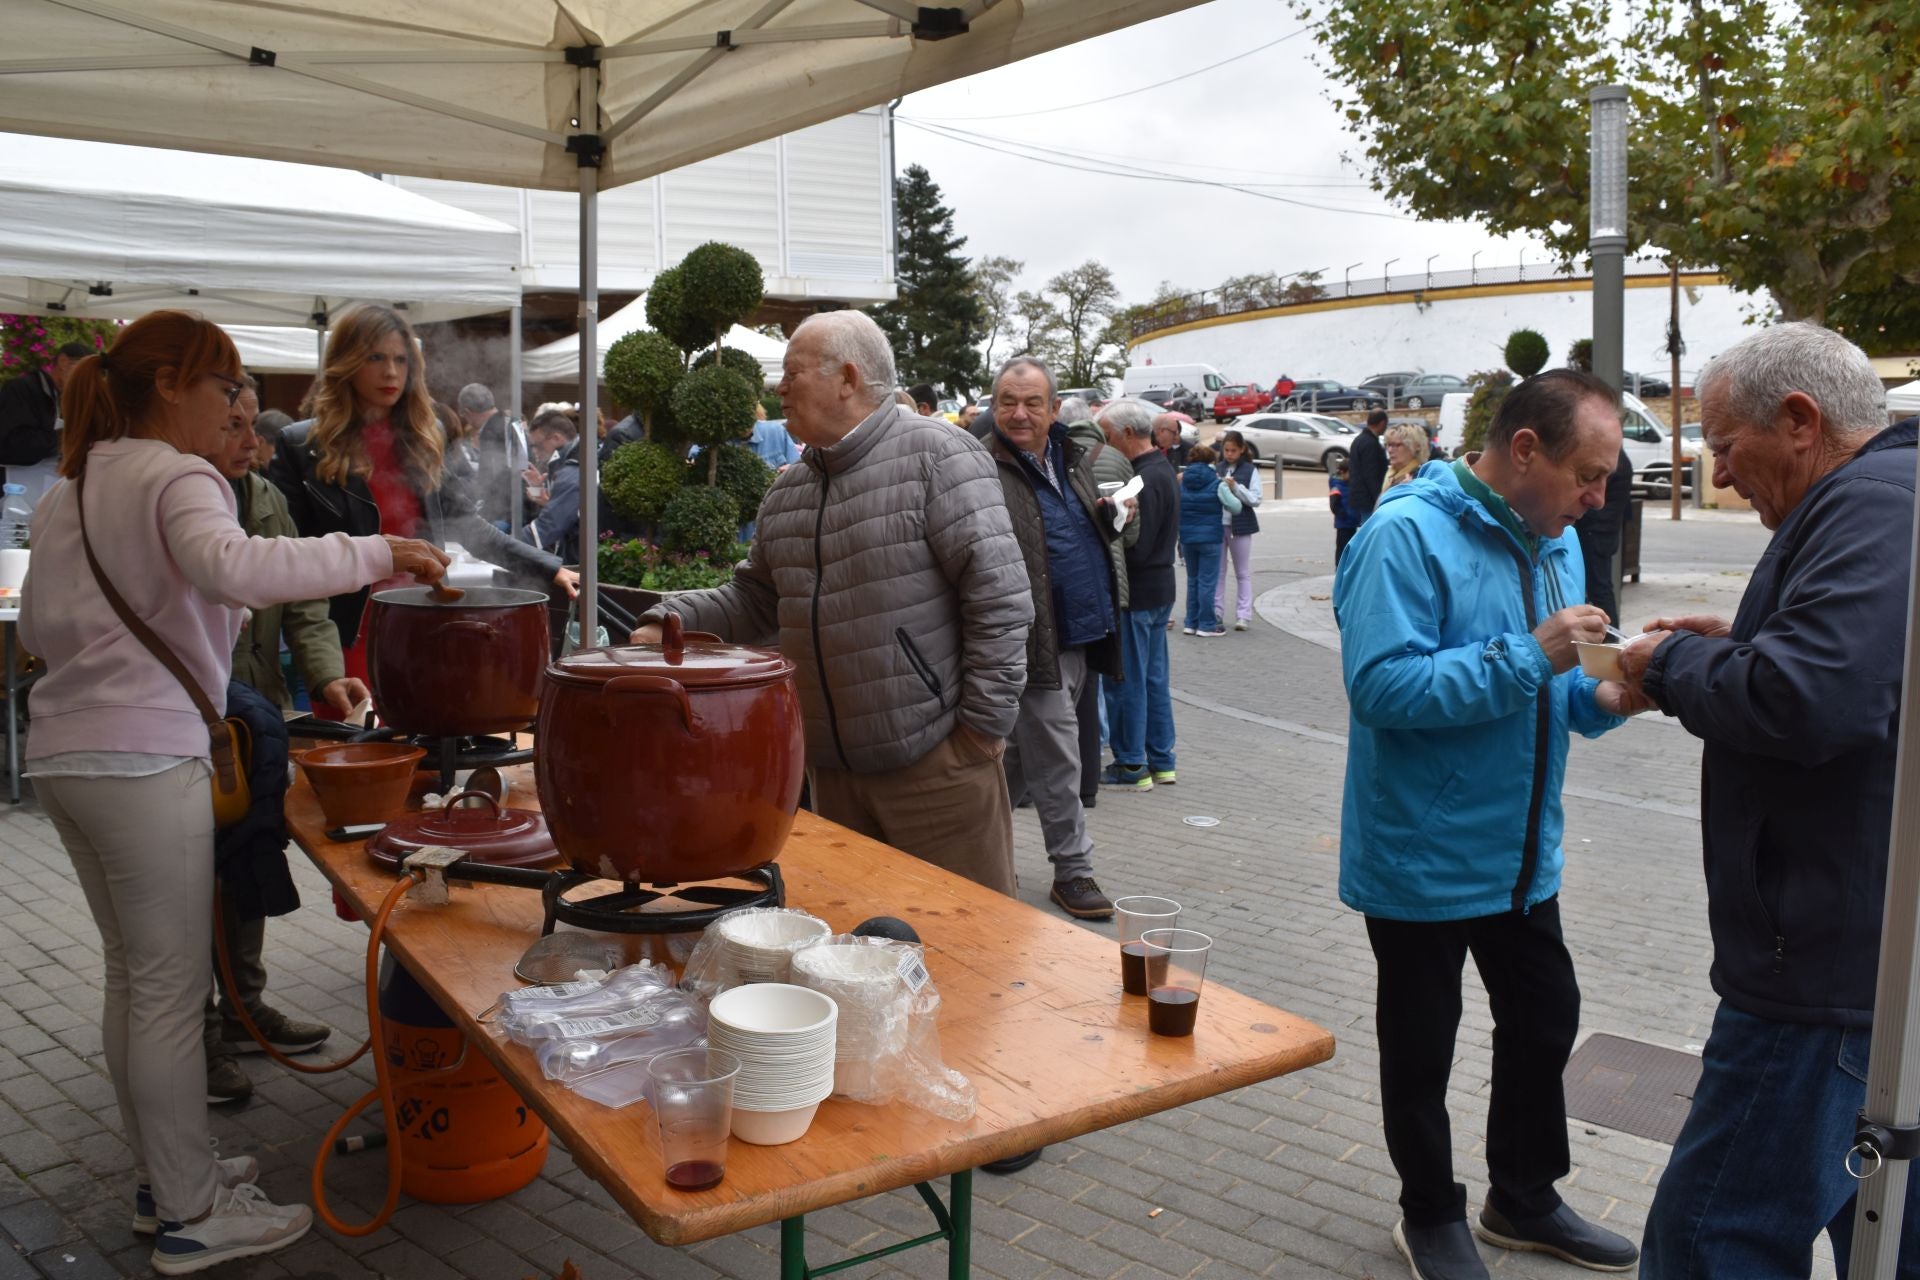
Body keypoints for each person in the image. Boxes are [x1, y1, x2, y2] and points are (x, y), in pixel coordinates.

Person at [20, 310, 448, 1274]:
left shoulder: (74, 483)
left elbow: (37, 631)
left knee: (136, 984)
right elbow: (240, 568)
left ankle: (164, 1180)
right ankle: (190, 1213)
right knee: (168, 996)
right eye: (225, 384)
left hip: (65, 759)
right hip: (144, 758)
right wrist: (380, 553)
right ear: (170, 383)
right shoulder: (176, 474)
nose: (238, 402)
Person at [1617, 323, 1920, 1278]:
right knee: (1886, 1235)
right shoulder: (1881, 498)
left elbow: (1809, 697)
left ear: (1799, 421)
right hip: (1868, 961)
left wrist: (1669, 661)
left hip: (1823, 975)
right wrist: (1739, 641)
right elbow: (1851, 674)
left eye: (1722, 445)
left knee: (1711, 1241)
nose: (1716, 475)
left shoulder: (1870, 504)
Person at [1334, 369, 1645, 1280]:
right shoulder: (1404, 534)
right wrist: (1530, 652)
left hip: (1520, 853)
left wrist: (1615, 695)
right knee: (1422, 1045)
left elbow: (1560, 691)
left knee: (1546, 1018)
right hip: (1422, 851)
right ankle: (1429, 1214)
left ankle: (1524, 1195)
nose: (1597, 499)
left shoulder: (1558, 537)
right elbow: (1382, 688)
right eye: (1588, 475)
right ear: (1523, 451)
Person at [631, 310, 1033, 894]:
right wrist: (670, 618)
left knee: (966, 952)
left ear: (846, 378)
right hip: (833, 773)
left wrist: (979, 734)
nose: (779, 388)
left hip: (937, 767)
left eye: (792, 373)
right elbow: (756, 597)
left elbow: (1000, 599)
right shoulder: (790, 486)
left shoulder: (938, 455)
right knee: (852, 952)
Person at [266, 305, 576, 693]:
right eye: (375, 357)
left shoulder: (421, 442)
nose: (391, 372)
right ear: (347, 361)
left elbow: (467, 525)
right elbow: (285, 557)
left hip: (421, 629)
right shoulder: (300, 446)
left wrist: (549, 568)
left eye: (400, 359)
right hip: (339, 640)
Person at [196, 382, 359, 1102]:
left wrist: (328, 680)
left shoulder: (265, 498)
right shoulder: (177, 500)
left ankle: (241, 1007)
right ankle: (196, 1036)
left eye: (250, 423)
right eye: (231, 421)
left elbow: (306, 608)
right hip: (189, 720)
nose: (249, 436)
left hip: (252, 719)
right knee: (191, 881)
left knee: (248, 851)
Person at [985, 356, 1128, 921]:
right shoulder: (979, 464)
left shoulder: (1070, 458)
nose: (1019, 414)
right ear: (994, 406)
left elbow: (1088, 535)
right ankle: (1072, 870)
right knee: (1059, 756)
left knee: (1018, 758)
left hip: (1079, 631)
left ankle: (967, 850)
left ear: (1052, 409)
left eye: (1031, 403)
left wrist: (1114, 518)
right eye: (1007, 403)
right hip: (1025, 638)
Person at [1098, 398, 1178, 790]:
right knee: (1153, 678)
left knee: (1128, 679)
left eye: (1109, 437)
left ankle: (1131, 763)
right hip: (1160, 587)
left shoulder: (1141, 479)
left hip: (1138, 591)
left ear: (1128, 434)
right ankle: (1161, 760)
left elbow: (1136, 543)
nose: (1107, 445)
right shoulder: (1163, 468)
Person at [0, 339, 91, 503]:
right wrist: (67, 438)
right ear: (63, 362)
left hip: (49, 497)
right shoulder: (22, 388)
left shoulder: (66, 397)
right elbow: (13, 445)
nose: (85, 382)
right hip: (15, 496)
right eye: (83, 372)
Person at [518, 409, 591, 563]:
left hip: (580, 557)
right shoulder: (573, 461)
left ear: (556, 438)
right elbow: (568, 510)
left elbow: (547, 527)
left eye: (536, 446)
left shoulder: (574, 470)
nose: (535, 452)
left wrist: (501, 545)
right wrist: (539, 491)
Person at [456, 382, 526, 530]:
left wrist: (490, 513)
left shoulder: (490, 431)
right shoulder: (514, 422)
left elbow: (491, 478)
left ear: (468, 412)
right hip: (521, 511)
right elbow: (524, 466)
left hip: (505, 515)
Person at [1575, 447, 1633, 624]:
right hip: (1605, 531)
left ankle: (1609, 634)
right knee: (1600, 586)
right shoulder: (1619, 460)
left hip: (1597, 532)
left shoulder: (1612, 461)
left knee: (1599, 588)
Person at [1213, 429, 1261, 631]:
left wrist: (1236, 488)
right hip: (1218, 524)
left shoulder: (1250, 470)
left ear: (1241, 449)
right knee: (1218, 572)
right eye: (1226, 450)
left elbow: (1256, 499)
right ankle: (1216, 612)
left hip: (1241, 526)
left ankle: (1243, 615)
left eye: (1233, 450)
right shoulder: (1218, 467)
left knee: (1242, 572)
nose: (1229, 454)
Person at [1178, 443, 1227, 637]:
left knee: (1192, 580)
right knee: (1207, 582)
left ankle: (1190, 622)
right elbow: (1235, 506)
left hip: (1187, 538)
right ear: (1211, 462)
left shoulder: (1182, 482)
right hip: (1211, 538)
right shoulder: (1217, 483)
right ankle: (1207, 624)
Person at [1348, 409, 1389, 523]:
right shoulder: (1370, 443)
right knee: (1370, 529)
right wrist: (1379, 498)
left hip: (1360, 495)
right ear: (1382, 423)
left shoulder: (1359, 440)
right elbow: (1371, 474)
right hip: (1368, 498)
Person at [1383, 422, 1431, 491]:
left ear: (1416, 446)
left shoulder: (1421, 477)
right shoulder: (1390, 474)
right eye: (1388, 445)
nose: (1390, 450)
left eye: (1397, 445)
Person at [1330, 458, 1361, 563]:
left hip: (1352, 522)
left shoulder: (1350, 483)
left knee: (1351, 547)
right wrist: (1344, 515)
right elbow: (1334, 505)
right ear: (1343, 472)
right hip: (1343, 523)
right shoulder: (1336, 486)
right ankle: (1339, 568)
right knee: (1342, 548)